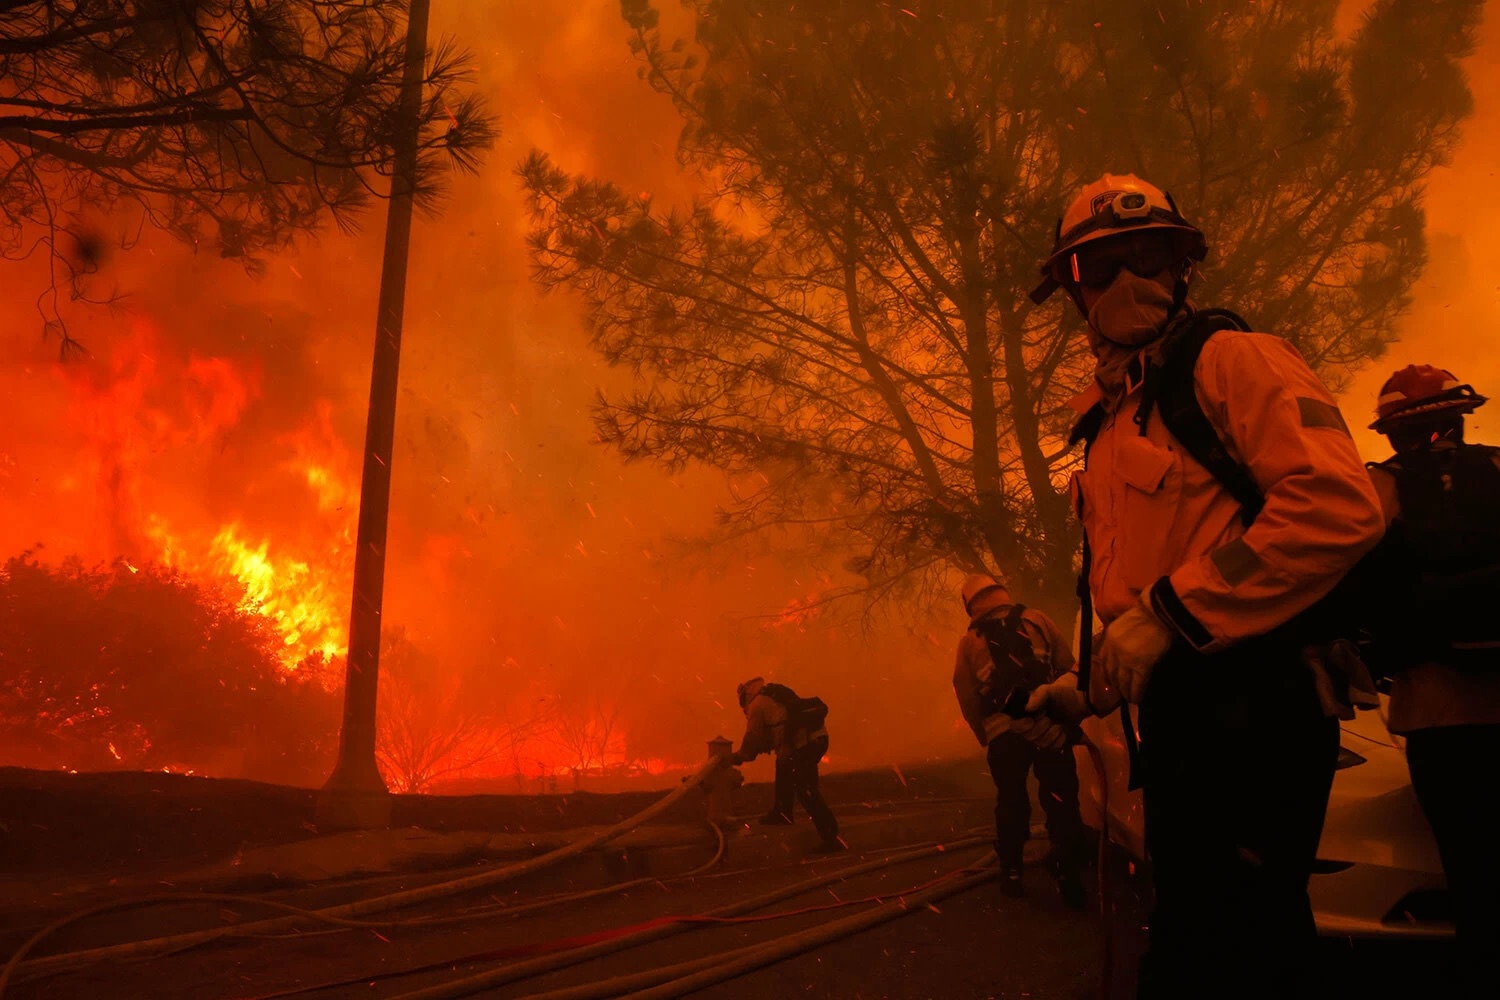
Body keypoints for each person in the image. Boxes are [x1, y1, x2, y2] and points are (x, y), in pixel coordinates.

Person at [1019, 173, 1385, 998]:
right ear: (1071, 291)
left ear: (1182, 265)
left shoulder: (1235, 361)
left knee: (1235, 949)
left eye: (1148, 256)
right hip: (1184, 717)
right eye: (1098, 269)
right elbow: (1135, 591)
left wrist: (1173, 613)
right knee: (1200, 940)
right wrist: (1087, 692)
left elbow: (1336, 505)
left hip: (1259, 708)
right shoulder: (1111, 422)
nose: (1127, 284)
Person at [1365, 364, 1500, 991]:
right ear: (1459, 415)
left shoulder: (1377, 490)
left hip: (1436, 712)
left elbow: (1344, 582)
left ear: (1394, 431)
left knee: (1472, 871)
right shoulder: (1499, 468)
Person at [952, 573, 1088, 906]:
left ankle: (1011, 872)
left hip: (1004, 734)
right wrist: (1064, 715)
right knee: (1061, 798)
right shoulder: (1037, 620)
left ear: (970, 604)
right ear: (1000, 593)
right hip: (1049, 728)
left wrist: (985, 733)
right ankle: (1069, 873)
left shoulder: (970, 642)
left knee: (1011, 801)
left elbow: (966, 693)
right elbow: (1068, 666)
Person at [729, 677, 843, 852]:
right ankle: (782, 812)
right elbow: (776, 732)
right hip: (815, 739)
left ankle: (831, 838)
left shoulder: (756, 705)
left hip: (803, 745)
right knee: (784, 767)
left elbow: (753, 740)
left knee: (806, 791)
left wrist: (737, 757)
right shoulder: (772, 695)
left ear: (745, 695)